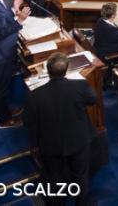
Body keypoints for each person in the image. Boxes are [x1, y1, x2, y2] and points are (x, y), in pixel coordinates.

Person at [22, 52, 97, 206]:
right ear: (66, 70)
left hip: (50, 145)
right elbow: (92, 99)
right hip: (78, 141)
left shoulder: (35, 95)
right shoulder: (80, 86)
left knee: (53, 179)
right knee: (80, 176)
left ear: (48, 70)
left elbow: (27, 121)